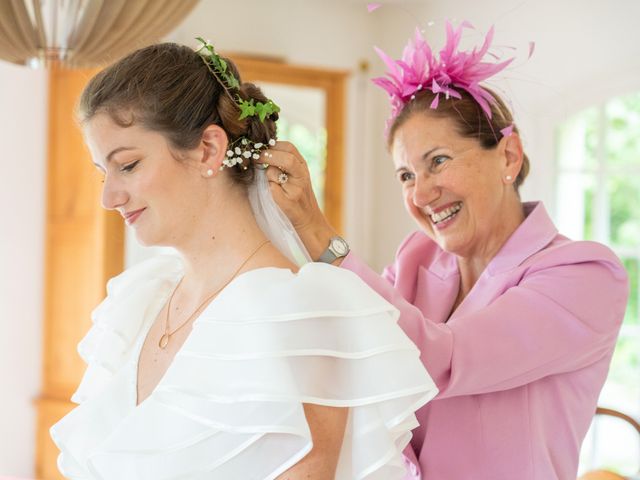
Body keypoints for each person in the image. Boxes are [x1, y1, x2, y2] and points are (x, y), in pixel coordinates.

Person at [49, 40, 438, 480]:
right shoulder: (138, 304)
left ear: (209, 149)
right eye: (103, 172)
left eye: (129, 165)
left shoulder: (301, 314)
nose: (108, 197)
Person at [261, 21, 630, 480]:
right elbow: (354, 359)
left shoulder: (585, 275)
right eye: (405, 176)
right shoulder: (416, 257)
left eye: (437, 161)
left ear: (508, 156)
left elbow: (439, 358)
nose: (419, 195)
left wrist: (317, 232)